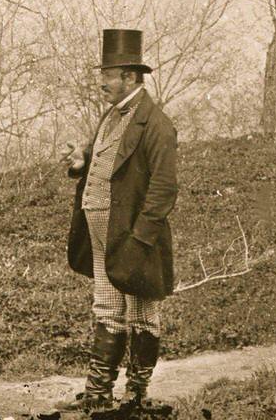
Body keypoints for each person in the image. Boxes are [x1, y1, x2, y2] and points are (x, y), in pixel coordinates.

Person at [64, 29, 178, 412]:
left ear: (130, 77)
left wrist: (139, 241)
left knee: (143, 312)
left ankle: (137, 396)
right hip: (101, 232)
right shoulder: (111, 116)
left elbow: (163, 189)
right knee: (108, 308)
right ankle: (98, 395)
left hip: (133, 235)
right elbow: (107, 162)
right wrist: (82, 163)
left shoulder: (157, 124)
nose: (101, 83)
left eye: (108, 75)